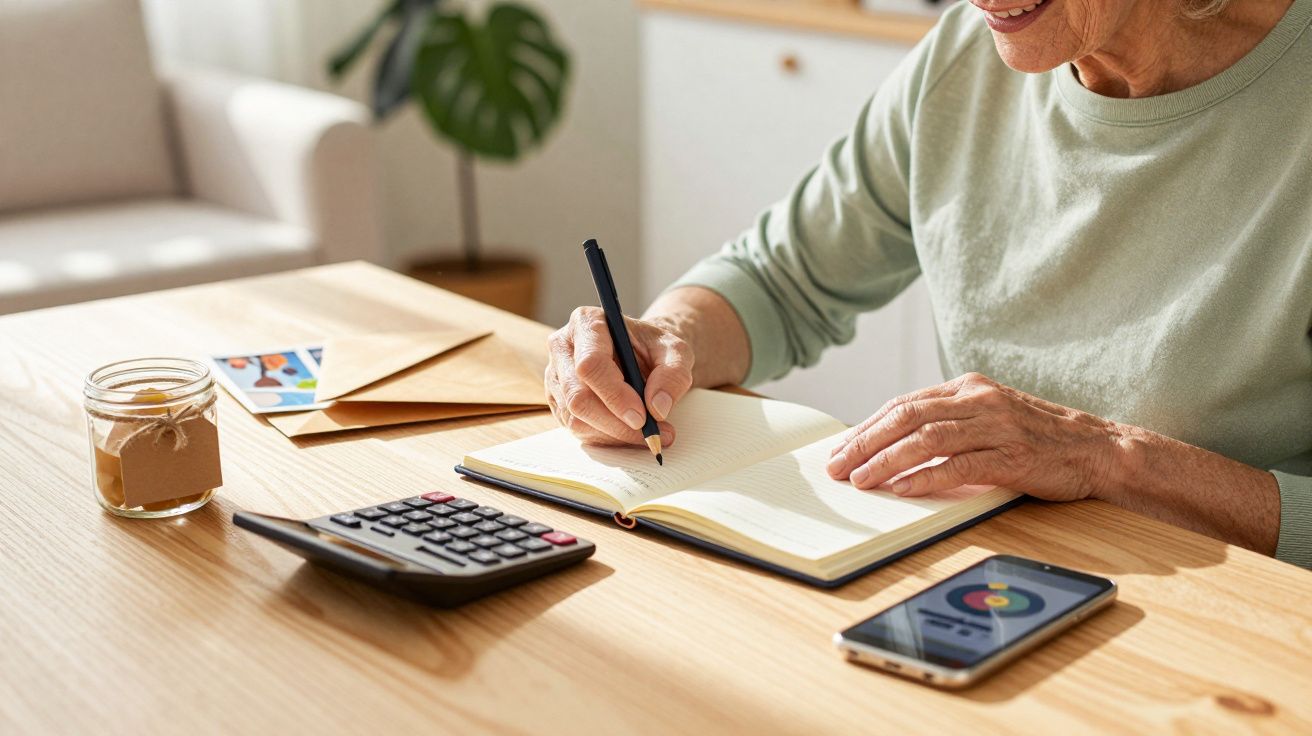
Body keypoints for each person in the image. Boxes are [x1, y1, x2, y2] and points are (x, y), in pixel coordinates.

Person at [545, 0, 1312, 569]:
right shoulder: (966, 57)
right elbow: (780, 277)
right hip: (996, 589)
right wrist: (665, 338)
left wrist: (1107, 457)